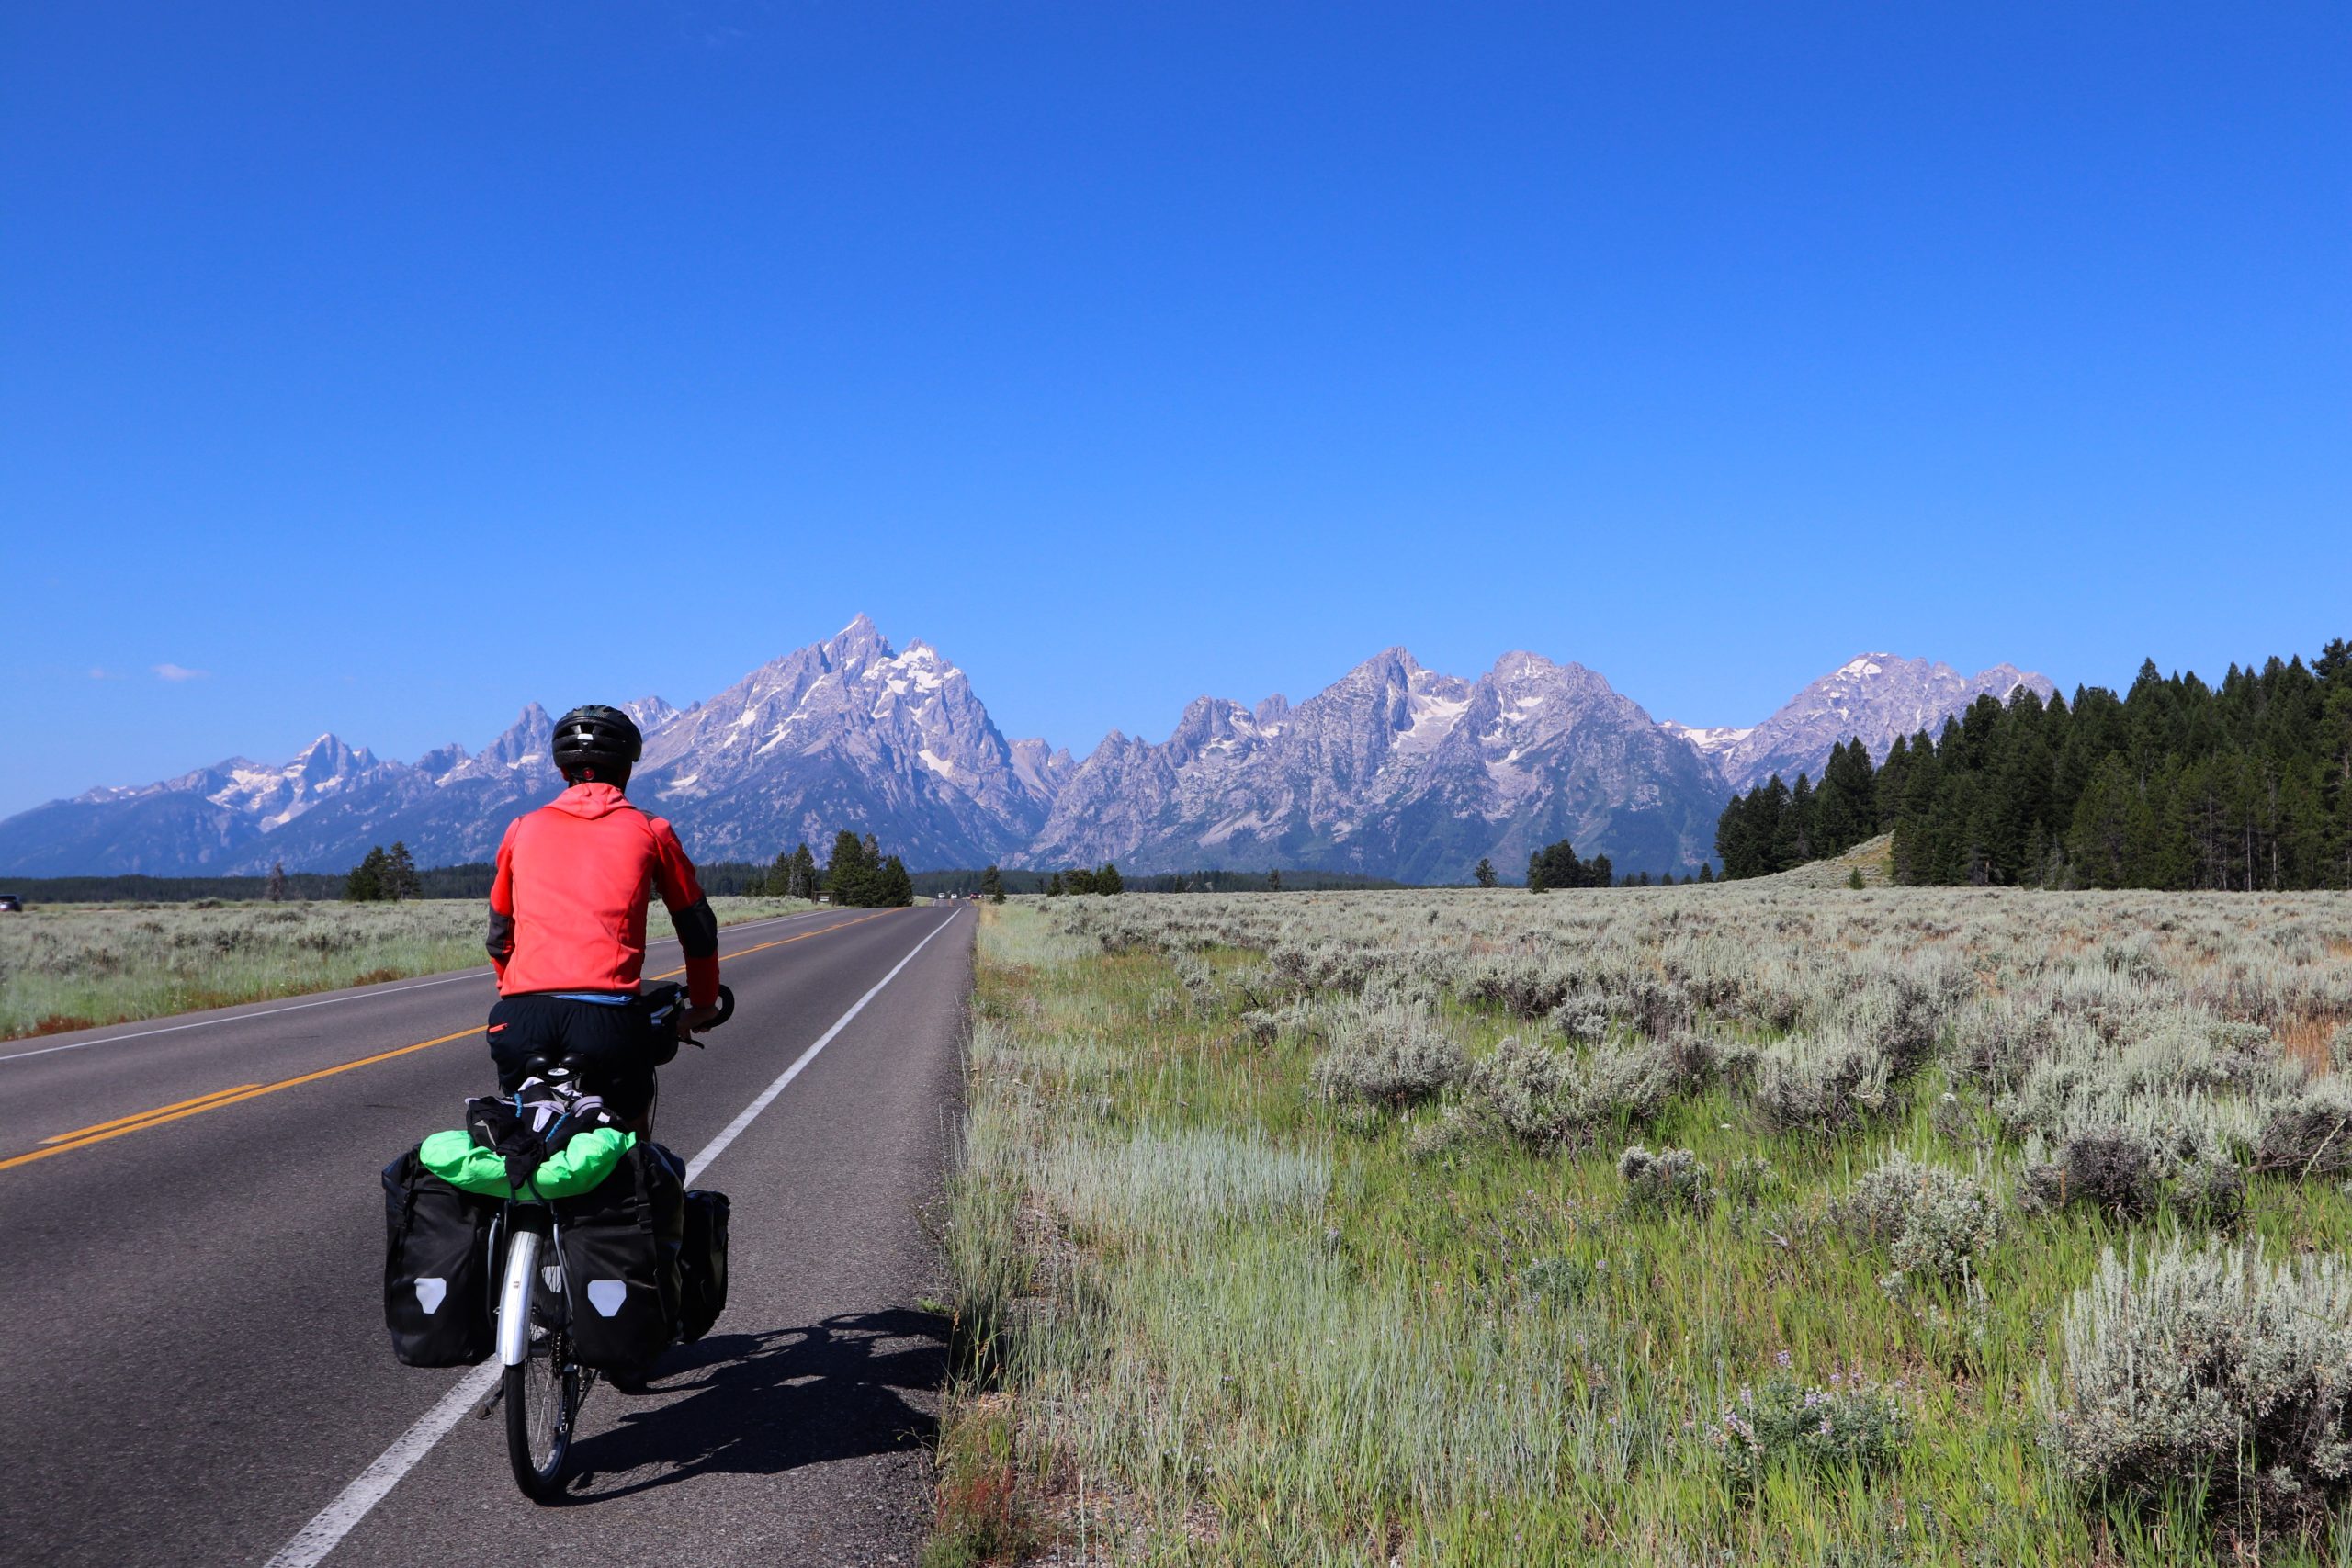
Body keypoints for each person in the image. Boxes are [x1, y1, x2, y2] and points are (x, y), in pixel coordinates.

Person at [483, 705, 722, 1131]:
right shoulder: (651, 830)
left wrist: (518, 990)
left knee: (525, 1134)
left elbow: (500, 934)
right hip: (607, 1020)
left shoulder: (521, 828)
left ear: (562, 772)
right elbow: (697, 928)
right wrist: (703, 1005)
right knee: (627, 1149)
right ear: (627, 770)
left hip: (521, 1019)